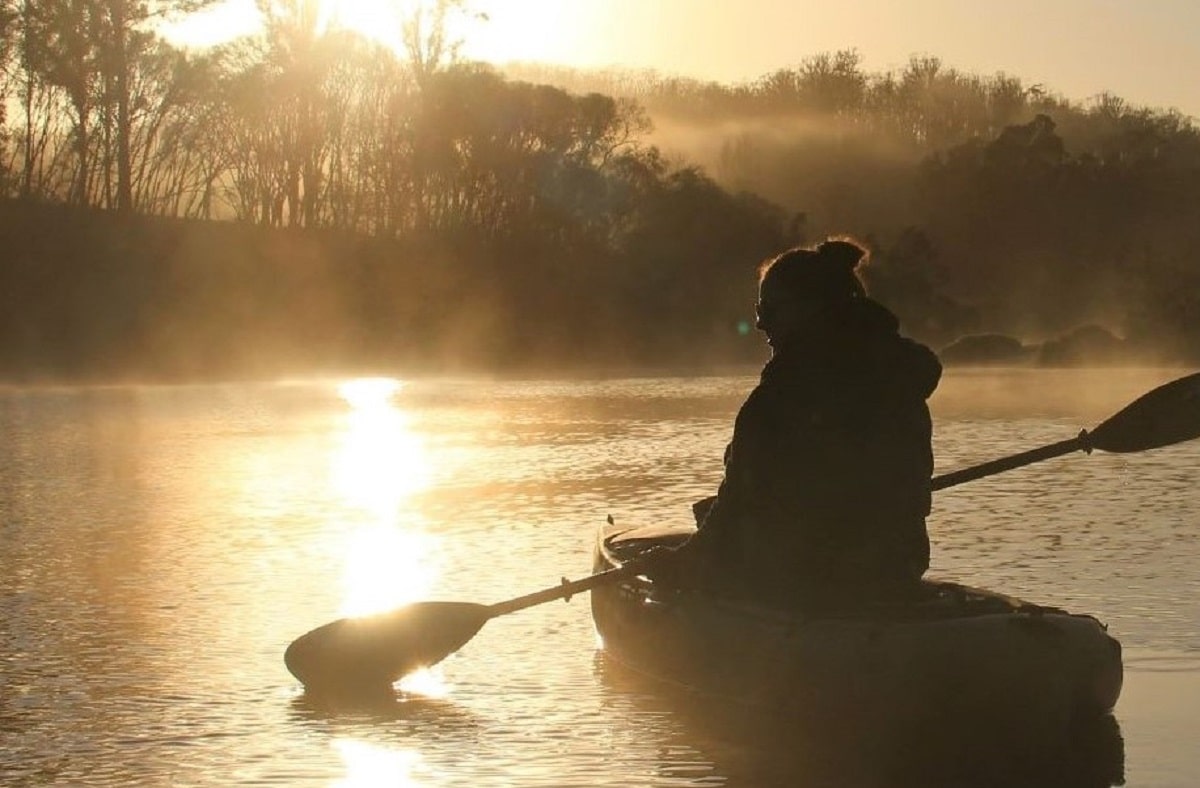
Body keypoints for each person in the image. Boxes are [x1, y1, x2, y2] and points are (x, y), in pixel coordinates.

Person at [654, 237, 942, 611]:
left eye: (769, 310)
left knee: (722, 526)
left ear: (811, 310)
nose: (760, 324)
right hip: (895, 570)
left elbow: (731, 515)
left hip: (805, 583)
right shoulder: (900, 377)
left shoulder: (777, 402)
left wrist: (677, 566)